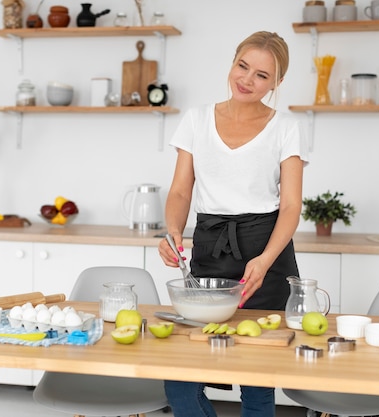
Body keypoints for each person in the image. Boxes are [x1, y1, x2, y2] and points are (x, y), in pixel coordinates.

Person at [158, 31, 310, 417]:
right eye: (243, 66)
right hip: (209, 252)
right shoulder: (196, 119)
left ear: (277, 83)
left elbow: (291, 206)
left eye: (261, 75)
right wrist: (173, 230)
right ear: (233, 63)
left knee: (257, 390)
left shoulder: (286, 127)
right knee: (180, 383)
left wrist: (265, 259)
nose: (247, 79)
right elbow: (179, 192)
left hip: (266, 255)